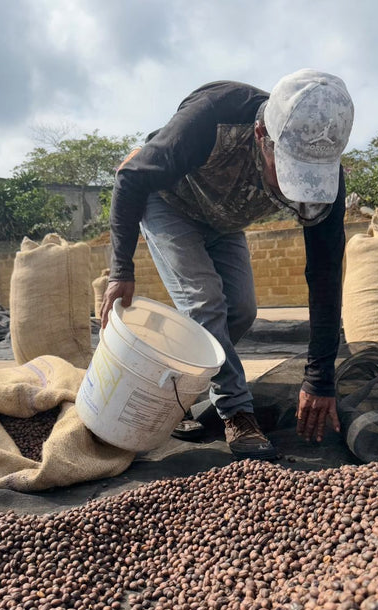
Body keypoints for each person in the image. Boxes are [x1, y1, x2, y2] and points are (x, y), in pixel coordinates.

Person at [101, 68, 354, 460]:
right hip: (168, 204)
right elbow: (130, 178)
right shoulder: (214, 115)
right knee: (205, 302)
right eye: (288, 170)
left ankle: (176, 391)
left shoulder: (327, 179)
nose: (295, 189)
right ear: (262, 136)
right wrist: (121, 270)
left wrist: (320, 378)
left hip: (224, 222)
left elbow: (325, 274)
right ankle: (237, 413)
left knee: (241, 311)